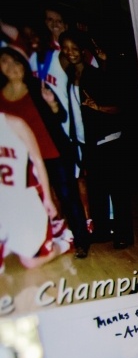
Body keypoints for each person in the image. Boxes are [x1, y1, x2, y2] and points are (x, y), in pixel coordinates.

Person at [0, 46, 86, 256]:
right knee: (31, 201)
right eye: (5, 61)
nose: (11, 66)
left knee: (67, 197)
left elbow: (62, 116)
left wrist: (53, 104)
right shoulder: (0, 96)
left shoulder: (37, 85)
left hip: (52, 153)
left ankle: (81, 240)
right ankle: (35, 241)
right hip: (22, 161)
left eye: (16, 62)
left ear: (24, 65)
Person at [61, 31, 133, 250]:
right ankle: (102, 231)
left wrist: (97, 107)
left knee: (117, 190)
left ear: (83, 51)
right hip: (88, 143)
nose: (70, 53)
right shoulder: (71, 78)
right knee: (97, 190)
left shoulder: (95, 75)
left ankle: (123, 235)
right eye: (66, 48)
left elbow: (119, 107)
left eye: (74, 48)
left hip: (108, 140)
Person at [0, 112, 64, 270]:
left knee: (30, 262)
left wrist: (48, 199)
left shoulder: (16, 124)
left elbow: (38, 161)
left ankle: (63, 243)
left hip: (21, 202)